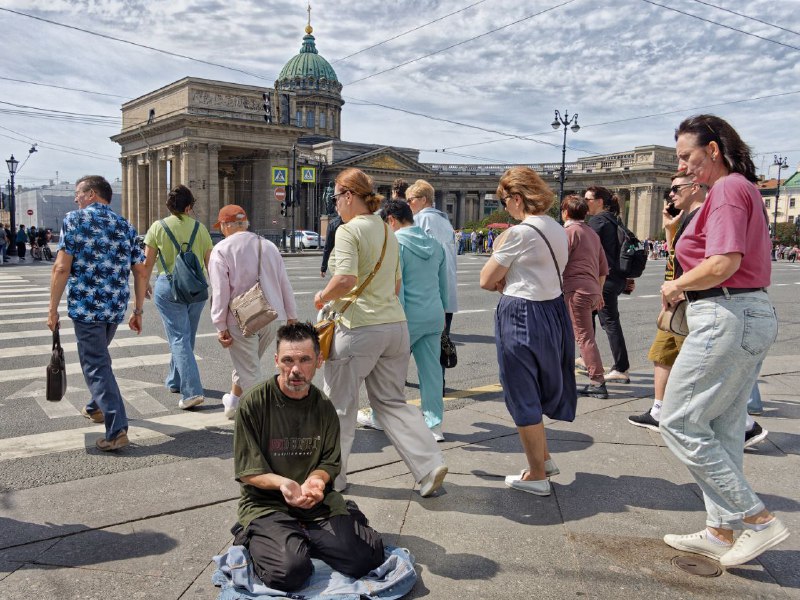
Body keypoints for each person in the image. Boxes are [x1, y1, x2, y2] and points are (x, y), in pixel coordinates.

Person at [659, 114, 789, 567]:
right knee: (723, 428)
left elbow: (723, 262)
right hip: (744, 311)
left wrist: (676, 286)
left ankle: (757, 520)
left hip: (727, 310)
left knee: (677, 420)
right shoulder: (737, 190)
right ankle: (720, 530)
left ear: (713, 149)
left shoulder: (730, 190)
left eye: (686, 156)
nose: (683, 167)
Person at [314, 168, 448, 497]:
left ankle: (335, 478)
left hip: (359, 328)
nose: (335, 206)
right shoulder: (389, 231)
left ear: (348, 195)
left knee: (340, 406)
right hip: (395, 326)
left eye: (335, 198)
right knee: (391, 402)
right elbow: (397, 283)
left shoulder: (349, 231)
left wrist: (321, 297)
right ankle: (429, 466)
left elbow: (345, 279)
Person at [232, 322, 384, 592]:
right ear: (276, 360)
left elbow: (329, 462)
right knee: (290, 572)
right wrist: (283, 484)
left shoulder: (324, 407)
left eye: (305, 360)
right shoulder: (254, 403)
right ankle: (265, 535)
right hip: (267, 504)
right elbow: (247, 471)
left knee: (365, 559)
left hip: (316, 505)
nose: (295, 370)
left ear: (319, 361)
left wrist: (315, 481)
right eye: (288, 360)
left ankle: (324, 526)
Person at [479, 166, 577, 497]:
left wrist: (501, 274)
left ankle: (537, 475)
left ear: (517, 198)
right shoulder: (557, 228)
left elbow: (485, 279)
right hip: (552, 311)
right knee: (536, 386)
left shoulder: (520, 233)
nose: (504, 205)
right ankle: (544, 459)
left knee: (521, 390)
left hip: (521, 312)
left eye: (505, 200)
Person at [47, 175, 148, 451]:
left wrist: (52, 308)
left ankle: (117, 429)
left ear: (91, 194)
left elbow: (61, 268)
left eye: (79, 193)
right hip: (115, 308)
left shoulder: (74, 220)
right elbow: (140, 270)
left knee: (95, 364)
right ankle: (95, 407)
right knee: (99, 359)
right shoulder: (125, 225)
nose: (75, 198)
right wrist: (138, 309)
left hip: (87, 308)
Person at [208, 204, 299, 420]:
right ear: (245, 223)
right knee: (247, 363)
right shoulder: (268, 246)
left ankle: (270, 421)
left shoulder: (221, 250)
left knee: (250, 371)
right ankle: (232, 403)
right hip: (272, 317)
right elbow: (284, 283)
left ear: (226, 225)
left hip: (241, 320)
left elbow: (220, 292)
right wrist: (291, 316)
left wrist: (220, 325)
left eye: (221, 226)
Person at [380, 199, 448, 441]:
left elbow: (398, 287)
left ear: (391, 220)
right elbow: (444, 286)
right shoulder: (436, 245)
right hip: (434, 316)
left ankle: (383, 418)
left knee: (390, 371)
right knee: (431, 372)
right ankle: (434, 425)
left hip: (407, 317)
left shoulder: (396, 243)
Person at [142, 185, 213, 410]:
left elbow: (147, 263)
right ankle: (175, 380)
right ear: (189, 207)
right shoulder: (200, 229)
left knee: (179, 337)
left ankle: (192, 392)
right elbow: (211, 262)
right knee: (186, 336)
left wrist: (143, 286)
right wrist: (219, 292)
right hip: (196, 289)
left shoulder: (158, 227)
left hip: (169, 287)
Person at [406, 179, 458, 393]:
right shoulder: (445, 222)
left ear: (423, 200)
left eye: (411, 200)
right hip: (446, 295)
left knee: (402, 346)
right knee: (438, 343)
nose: (408, 204)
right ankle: (438, 386)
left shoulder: (418, 221)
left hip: (424, 295)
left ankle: (391, 389)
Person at [561, 195, 609, 399]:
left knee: (583, 337)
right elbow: (603, 269)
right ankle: (564, 377)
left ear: (565, 212)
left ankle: (597, 381)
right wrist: (598, 291)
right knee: (578, 334)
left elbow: (558, 263)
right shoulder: (592, 233)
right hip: (591, 289)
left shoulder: (568, 233)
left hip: (575, 289)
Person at [585, 186, 631, 383]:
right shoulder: (615, 220)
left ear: (600, 202)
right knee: (589, 316)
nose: (584, 202)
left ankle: (621, 367)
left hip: (604, 280)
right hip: (615, 278)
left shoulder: (597, 221)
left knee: (610, 322)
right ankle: (585, 357)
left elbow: (588, 249)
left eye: (588, 199)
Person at [320, 214, 341, 278]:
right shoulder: (357, 222)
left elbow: (327, 247)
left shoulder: (333, 223)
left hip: (337, 260)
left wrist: (323, 268)